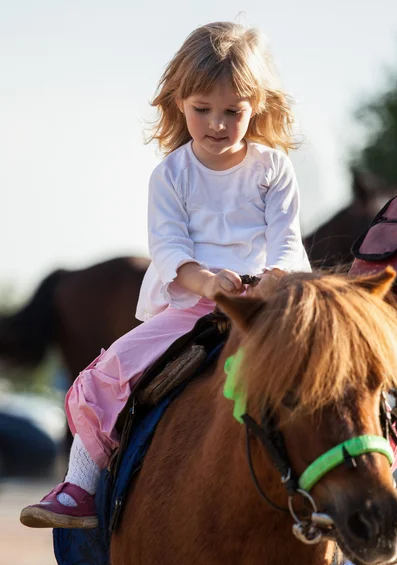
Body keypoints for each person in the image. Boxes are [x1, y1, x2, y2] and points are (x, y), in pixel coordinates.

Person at [20, 21, 310, 529]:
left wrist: (273, 276)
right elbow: (170, 246)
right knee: (100, 377)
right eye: (203, 109)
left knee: (344, 368)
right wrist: (207, 282)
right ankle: (80, 488)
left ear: (256, 107)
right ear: (179, 102)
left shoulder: (274, 168)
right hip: (194, 305)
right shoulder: (171, 174)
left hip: (269, 300)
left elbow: (287, 237)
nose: (217, 124)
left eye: (233, 112)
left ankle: (382, 485)